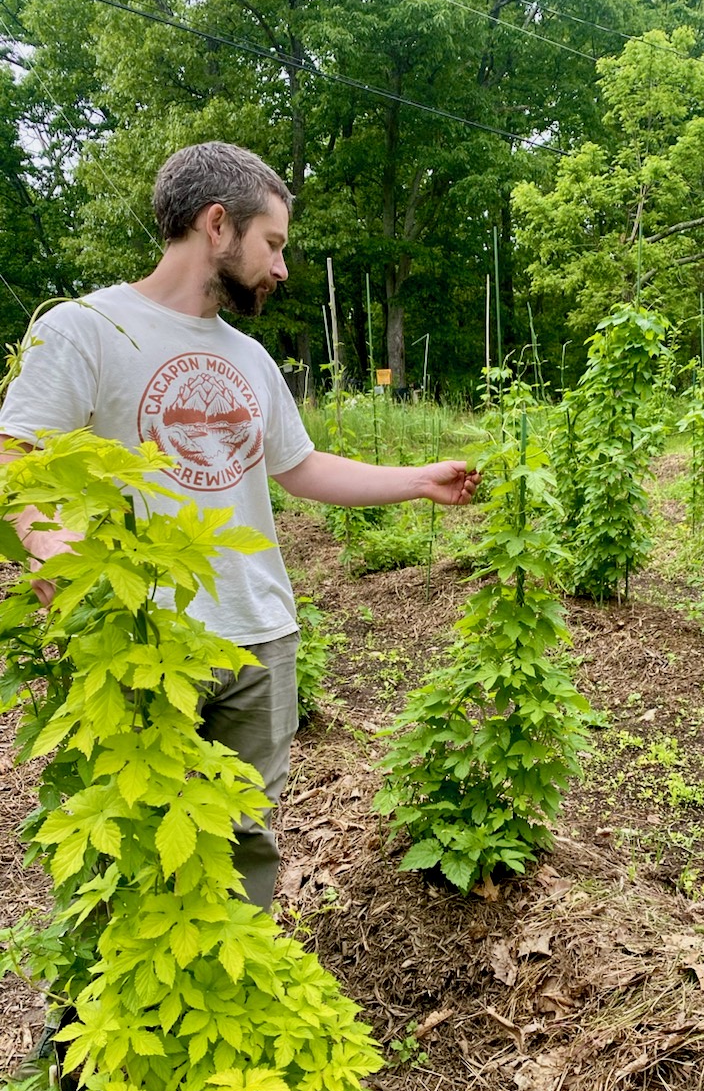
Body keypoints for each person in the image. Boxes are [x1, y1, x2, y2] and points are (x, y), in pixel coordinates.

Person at [0, 140, 479, 911]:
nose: (282, 268)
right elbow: (14, 453)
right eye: (275, 244)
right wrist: (55, 550)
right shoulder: (86, 328)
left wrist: (417, 481)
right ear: (217, 225)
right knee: (129, 842)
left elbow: (299, 467)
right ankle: (94, 1025)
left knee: (245, 836)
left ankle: (235, 1002)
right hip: (141, 635)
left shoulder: (250, 358)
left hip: (259, 634)